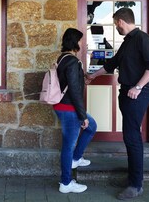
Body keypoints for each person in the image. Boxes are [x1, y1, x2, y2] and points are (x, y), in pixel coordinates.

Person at [86, 8, 149, 200]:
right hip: (127, 93)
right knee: (130, 137)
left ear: (120, 21)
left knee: (132, 137)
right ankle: (132, 178)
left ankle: (136, 185)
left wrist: (137, 87)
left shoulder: (143, 39)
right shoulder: (127, 42)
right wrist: (92, 76)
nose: (116, 27)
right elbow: (112, 64)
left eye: (115, 23)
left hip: (137, 94)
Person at [54, 28, 97, 194]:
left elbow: (70, 82)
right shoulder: (72, 61)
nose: (82, 43)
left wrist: (81, 78)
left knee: (92, 127)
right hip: (69, 108)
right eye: (80, 40)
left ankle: (76, 158)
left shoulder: (63, 58)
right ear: (74, 42)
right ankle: (65, 183)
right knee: (68, 146)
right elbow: (73, 91)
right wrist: (82, 115)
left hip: (63, 106)